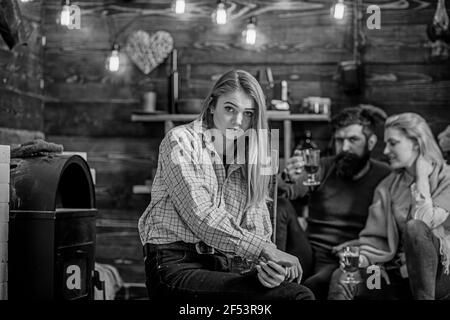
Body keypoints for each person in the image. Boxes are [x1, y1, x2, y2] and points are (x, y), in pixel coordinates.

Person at [138, 69, 314, 300]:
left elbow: (258, 227)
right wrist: (267, 250)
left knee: (295, 292)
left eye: (248, 113)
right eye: (230, 109)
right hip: (176, 266)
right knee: (296, 298)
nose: (239, 121)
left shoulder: (258, 154)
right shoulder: (181, 140)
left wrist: (267, 270)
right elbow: (200, 215)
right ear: (212, 106)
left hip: (224, 268)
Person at [330, 113, 450, 300]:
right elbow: (376, 238)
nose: (385, 151)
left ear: (416, 143)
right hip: (396, 276)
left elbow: (424, 224)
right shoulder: (388, 186)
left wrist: (422, 178)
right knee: (345, 276)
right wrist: (367, 261)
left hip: (440, 279)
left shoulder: (447, 178)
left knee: (415, 228)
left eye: (393, 143)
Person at [276, 107, 391, 299]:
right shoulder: (322, 166)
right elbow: (288, 191)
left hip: (348, 256)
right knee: (280, 205)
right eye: (339, 140)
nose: (344, 147)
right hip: (308, 251)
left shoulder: (385, 175)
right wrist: (287, 176)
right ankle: (273, 272)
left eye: (353, 140)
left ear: (370, 142)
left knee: (315, 285)